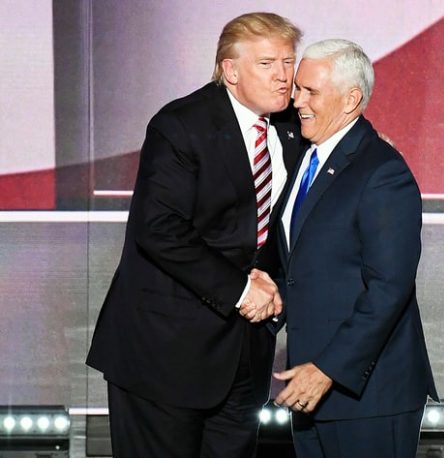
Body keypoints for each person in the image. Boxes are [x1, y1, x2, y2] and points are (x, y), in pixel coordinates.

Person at [86, 13, 303, 457]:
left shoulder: (292, 128)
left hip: (244, 355)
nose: (283, 76)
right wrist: (242, 289)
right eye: (267, 63)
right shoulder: (181, 125)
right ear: (230, 70)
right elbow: (159, 228)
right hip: (163, 354)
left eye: (287, 61)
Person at [272, 39, 439, 458]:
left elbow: (388, 288)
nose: (297, 101)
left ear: (351, 100)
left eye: (311, 92)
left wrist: (328, 369)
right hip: (310, 391)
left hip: (368, 396)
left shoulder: (382, 172)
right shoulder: (307, 160)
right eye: (297, 89)